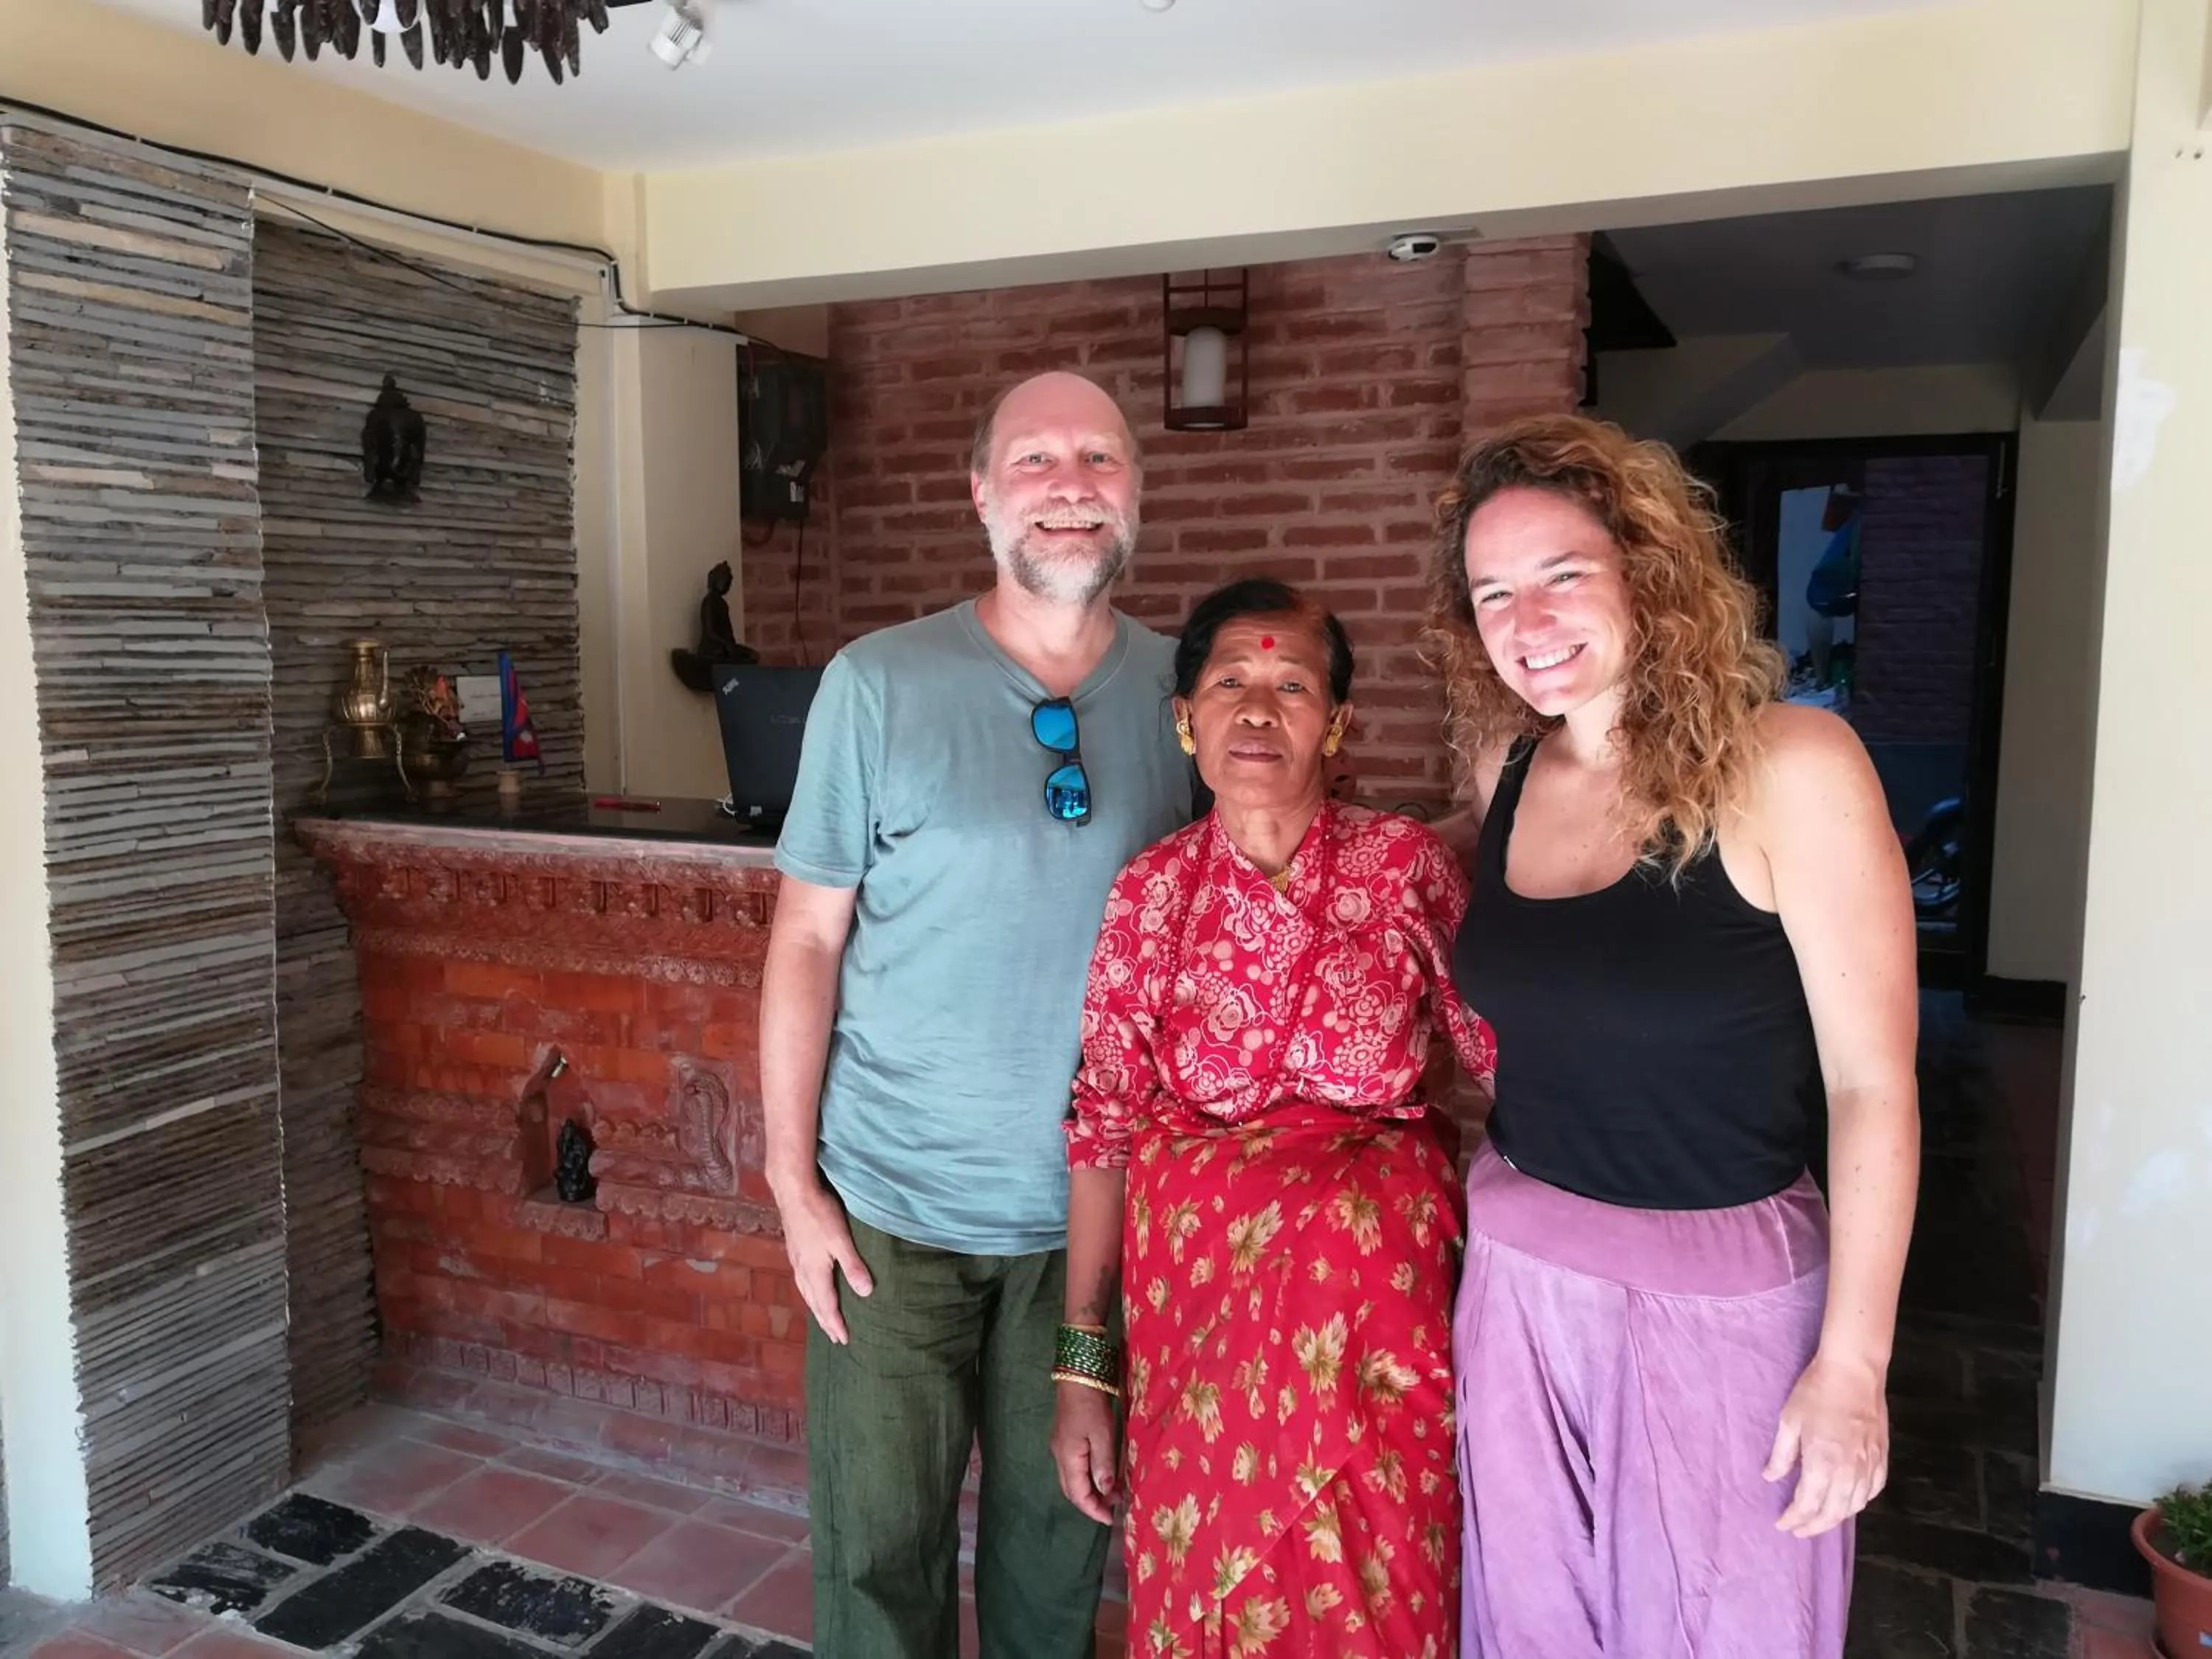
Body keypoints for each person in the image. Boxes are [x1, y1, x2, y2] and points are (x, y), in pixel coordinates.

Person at [1425, 414, 1919, 1658]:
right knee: (1529, 1627)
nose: (1529, 621)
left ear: (1646, 570)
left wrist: (1854, 1366)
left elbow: (1873, 1084)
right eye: (1493, 593)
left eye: (1562, 574)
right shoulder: (1506, 767)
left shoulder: (1792, 766)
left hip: (1725, 1298)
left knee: (1724, 1627)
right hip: (1520, 1279)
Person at [760, 371, 1197, 1659]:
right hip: (888, 1220)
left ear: (1136, 490)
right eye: (1035, 460)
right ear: (982, 494)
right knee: (876, 1568)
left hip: (1091, 1228)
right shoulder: (878, 681)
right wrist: (793, 1185)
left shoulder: (1187, 693)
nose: (1070, 487)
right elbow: (805, 938)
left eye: (1099, 458)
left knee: (1055, 1565)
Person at [1052, 579, 1496, 1659]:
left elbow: (1508, 1063)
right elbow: (1103, 1128)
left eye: (1292, 685)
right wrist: (1083, 1370)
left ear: (1336, 723)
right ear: (1185, 718)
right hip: (1199, 1347)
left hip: (1378, 1344)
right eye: (1229, 683)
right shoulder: (1150, 894)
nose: (1257, 708)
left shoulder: (1404, 869)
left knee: (1382, 1600)